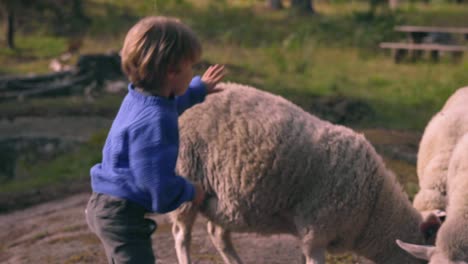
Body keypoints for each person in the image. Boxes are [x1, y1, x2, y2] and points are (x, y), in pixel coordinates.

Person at [85, 16, 226, 264]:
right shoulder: (156, 121)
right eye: (190, 67)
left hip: (106, 204)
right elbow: (156, 185)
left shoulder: (140, 97)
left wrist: (198, 88)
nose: (193, 71)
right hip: (121, 216)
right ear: (172, 71)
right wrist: (190, 191)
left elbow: (172, 103)